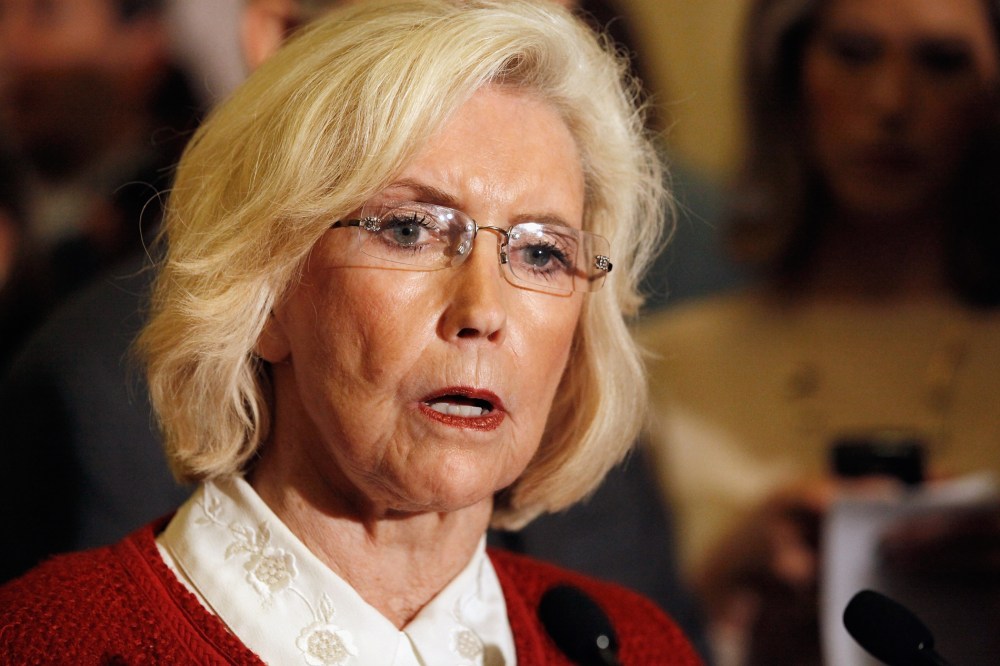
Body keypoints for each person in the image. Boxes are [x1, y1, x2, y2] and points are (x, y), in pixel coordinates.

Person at [0, 2, 703, 663]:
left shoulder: (636, 646)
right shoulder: (52, 641)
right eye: (409, 230)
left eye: (541, 252)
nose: (483, 310)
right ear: (267, 289)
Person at [637, 0, 1000, 663]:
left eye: (943, 62)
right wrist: (722, 588)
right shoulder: (661, 364)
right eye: (854, 53)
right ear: (787, 76)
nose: (892, 102)